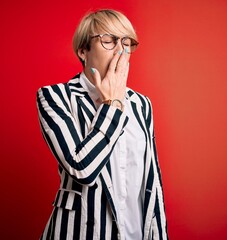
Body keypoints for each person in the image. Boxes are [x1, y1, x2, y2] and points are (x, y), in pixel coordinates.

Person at [36, 9, 168, 240]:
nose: (120, 49)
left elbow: (152, 181)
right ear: (83, 51)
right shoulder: (55, 97)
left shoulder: (141, 104)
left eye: (126, 42)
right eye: (108, 40)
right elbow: (82, 169)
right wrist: (112, 103)